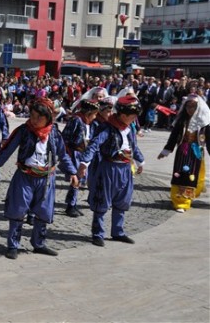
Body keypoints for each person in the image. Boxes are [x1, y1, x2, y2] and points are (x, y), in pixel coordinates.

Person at [0, 98, 78, 259]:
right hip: (25, 177)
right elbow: (7, 149)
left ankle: (39, 244)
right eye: (32, 116)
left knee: (43, 212)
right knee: (18, 210)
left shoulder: (54, 133)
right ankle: (13, 245)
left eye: (38, 117)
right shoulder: (23, 130)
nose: (33, 120)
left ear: (48, 118)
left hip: (46, 179)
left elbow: (63, 154)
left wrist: (73, 172)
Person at [78, 96, 145, 247]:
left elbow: (134, 146)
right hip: (109, 168)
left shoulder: (129, 129)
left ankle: (118, 232)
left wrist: (140, 161)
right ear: (123, 114)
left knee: (122, 201)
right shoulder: (107, 128)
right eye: (132, 115)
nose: (135, 118)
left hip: (125, 169)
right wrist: (84, 163)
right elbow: (94, 145)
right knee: (102, 201)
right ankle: (98, 233)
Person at [157, 94, 210, 212]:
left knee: (191, 176)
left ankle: (185, 201)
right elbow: (174, 136)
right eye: (188, 106)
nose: (190, 109)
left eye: (193, 106)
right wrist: (166, 150)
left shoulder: (204, 123)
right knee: (180, 174)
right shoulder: (182, 121)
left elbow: (209, 139)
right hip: (182, 150)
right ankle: (179, 200)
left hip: (196, 152)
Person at [61, 99, 99, 217]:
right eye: (94, 114)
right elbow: (65, 137)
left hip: (82, 154)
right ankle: (70, 205)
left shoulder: (89, 124)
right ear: (88, 112)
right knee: (76, 179)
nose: (95, 116)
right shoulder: (76, 120)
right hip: (74, 153)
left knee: (80, 179)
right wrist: (66, 153)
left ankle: (72, 204)